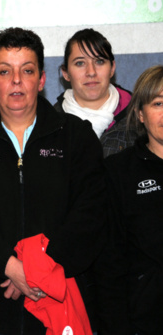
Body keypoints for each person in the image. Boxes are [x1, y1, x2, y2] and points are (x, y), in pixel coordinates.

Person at [0, 28, 106, 335]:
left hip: (58, 309)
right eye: (5, 71)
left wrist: (36, 271)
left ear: (42, 80)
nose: (17, 81)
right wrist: (11, 267)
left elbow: (91, 216)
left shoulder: (76, 136)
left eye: (28, 70)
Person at [97, 65, 163, 334]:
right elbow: (109, 263)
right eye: (158, 103)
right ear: (140, 115)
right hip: (144, 320)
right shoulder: (118, 172)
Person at [54, 28, 137, 156]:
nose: (91, 72)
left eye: (99, 61)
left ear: (112, 68)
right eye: (80, 63)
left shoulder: (139, 117)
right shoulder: (49, 123)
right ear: (66, 73)